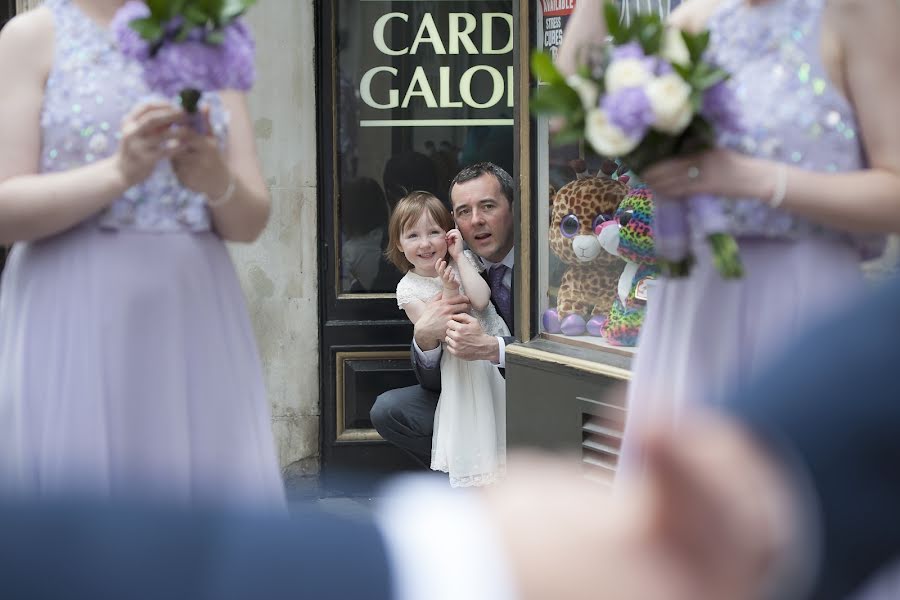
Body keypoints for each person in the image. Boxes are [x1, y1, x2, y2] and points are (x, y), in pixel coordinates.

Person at [558, 0, 900, 475]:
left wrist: (754, 179)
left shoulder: (857, 10)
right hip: (694, 304)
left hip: (802, 294)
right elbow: (567, 107)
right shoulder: (694, 19)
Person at [0, 0, 284, 508]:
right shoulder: (31, 37)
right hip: (73, 311)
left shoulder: (209, 36)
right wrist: (118, 173)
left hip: (193, 310)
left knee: (198, 505)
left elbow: (251, 218)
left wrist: (214, 178)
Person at [371, 162, 516, 467]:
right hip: (461, 378)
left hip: (527, 385)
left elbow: (478, 300)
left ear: (513, 207)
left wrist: (495, 349)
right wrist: (424, 338)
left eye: (487, 206)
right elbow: (432, 369)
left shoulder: (537, 265)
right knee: (390, 409)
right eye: (464, 211)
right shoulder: (416, 283)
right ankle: (465, 472)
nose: (476, 221)